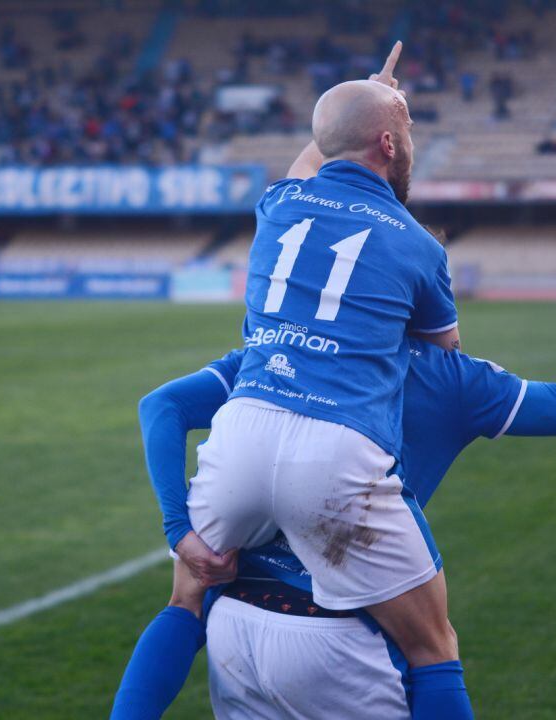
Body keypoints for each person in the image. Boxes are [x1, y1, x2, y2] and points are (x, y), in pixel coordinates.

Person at [111, 211, 556, 719]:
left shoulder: (275, 353)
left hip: (232, 629)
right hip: (344, 638)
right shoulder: (454, 378)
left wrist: (178, 529)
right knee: (436, 650)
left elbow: (162, 406)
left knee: (184, 599)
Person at [178, 42, 473, 717]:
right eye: (407, 130)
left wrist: (371, 94)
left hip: (243, 429)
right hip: (335, 450)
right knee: (432, 646)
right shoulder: (420, 246)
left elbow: (313, 156)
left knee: (186, 598)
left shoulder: (279, 205)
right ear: (389, 146)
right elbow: (441, 365)